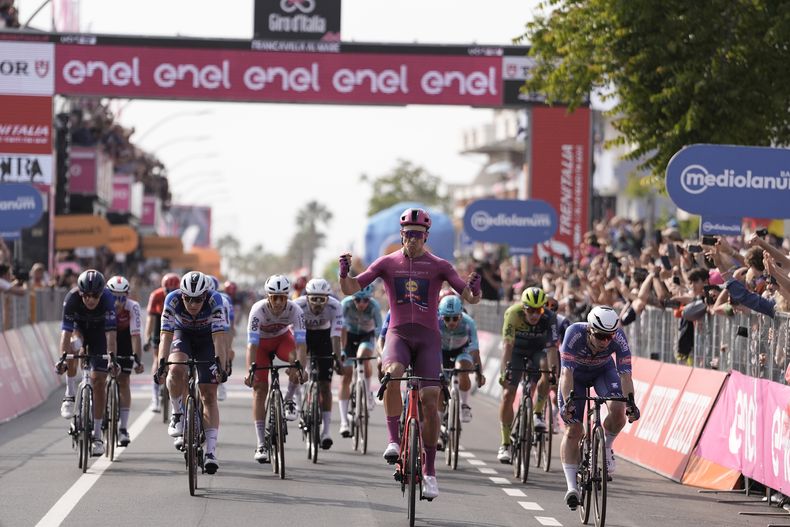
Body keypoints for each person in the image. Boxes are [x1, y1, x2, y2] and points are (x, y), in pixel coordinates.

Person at [339, 207, 482, 500]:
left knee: (431, 403)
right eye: (408, 234)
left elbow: (469, 297)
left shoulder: (440, 265)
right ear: (401, 234)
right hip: (399, 335)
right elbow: (352, 288)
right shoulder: (387, 263)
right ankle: (393, 440)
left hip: (429, 339)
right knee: (392, 377)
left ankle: (430, 473)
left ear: (426, 236)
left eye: (418, 235)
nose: (412, 240)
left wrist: (475, 289)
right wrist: (344, 274)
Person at [558, 305, 640, 510]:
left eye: (609, 337)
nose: (605, 342)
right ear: (589, 330)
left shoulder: (618, 337)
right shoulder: (574, 333)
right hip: (575, 376)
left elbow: (625, 376)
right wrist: (568, 402)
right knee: (573, 430)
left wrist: (630, 402)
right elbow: (566, 374)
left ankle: (605, 446)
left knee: (619, 411)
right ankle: (571, 487)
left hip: (603, 372)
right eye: (601, 336)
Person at [153, 271, 228, 474]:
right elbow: (165, 337)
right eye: (188, 299)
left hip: (207, 339)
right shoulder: (172, 299)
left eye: (198, 299)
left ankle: (211, 452)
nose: (193, 304)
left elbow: (220, 338)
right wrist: (161, 363)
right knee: (176, 369)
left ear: (205, 295)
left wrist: (221, 365)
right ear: (181, 295)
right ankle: (177, 414)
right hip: (182, 334)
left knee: (209, 393)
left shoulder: (215, 300)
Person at [243, 274, 307, 464]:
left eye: (283, 297)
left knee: (296, 361)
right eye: (274, 297)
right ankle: (261, 443)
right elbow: (252, 345)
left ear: (288, 296)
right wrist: (250, 371)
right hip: (260, 345)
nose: (279, 302)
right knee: (260, 389)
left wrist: (301, 367)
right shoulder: (258, 310)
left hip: (281, 340)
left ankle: (288, 400)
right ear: (267, 296)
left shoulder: (295, 309)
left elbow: (301, 344)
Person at [56, 270, 117, 456]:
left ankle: (97, 436)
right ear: (81, 293)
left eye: (95, 296)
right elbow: (65, 334)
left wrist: (111, 358)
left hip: (100, 333)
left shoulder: (108, 300)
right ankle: (70, 393)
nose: (90, 300)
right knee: (73, 349)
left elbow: (111, 335)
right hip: (79, 330)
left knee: (99, 381)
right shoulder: (72, 298)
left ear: (101, 293)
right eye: (87, 296)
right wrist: (62, 360)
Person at [496, 286, 559, 463]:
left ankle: (537, 413)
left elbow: (553, 348)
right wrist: (504, 372)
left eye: (538, 310)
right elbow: (507, 346)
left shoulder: (549, 317)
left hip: (537, 350)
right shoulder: (513, 313)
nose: (534, 315)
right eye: (530, 310)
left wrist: (554, 374)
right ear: (523, 308)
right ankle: (505, 443)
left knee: (547, 369)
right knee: (508, 394)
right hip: (516, 351)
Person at [295, 278, 344, 449]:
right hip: (303, 337)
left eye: (321, 299)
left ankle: (326, 431)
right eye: (314, 299)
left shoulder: (335, 306)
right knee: (298, 371)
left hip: (324, 338)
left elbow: (336, 336)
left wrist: (337, 359)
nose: (317, 304)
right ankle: (297, 400)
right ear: (306, 297)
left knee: (325, 386)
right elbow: (291, 335)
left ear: (328, 298)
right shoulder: (297, 305)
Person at [339, 284, 383, 437]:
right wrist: (342, 351)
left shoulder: (374, 307)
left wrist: (380, 353)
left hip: (366, 335)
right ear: (353, 299)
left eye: (365, 300)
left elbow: (379, 331)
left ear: (369, 299)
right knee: (347, 375)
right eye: (358, 300)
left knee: (363, 355)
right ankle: (344, 422)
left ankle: (367, 391)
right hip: (348, 337)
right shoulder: (345, 305)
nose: (361, 304)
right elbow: (340, 328)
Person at [106, 276, 145, 446]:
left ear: (127, 296)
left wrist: (137, 359)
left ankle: (123, 427)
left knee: (124, 381)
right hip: (105, 336)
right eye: (113, 296)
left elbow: (135, 336)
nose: (117, 301)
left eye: (121, 297)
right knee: (98, 377)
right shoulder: (103, 305)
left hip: (124, 338)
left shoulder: (133, 307)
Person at [437, 295, 485, 427]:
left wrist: (479, 373)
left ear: (461, 315)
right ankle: (438, 423)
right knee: (440, 386)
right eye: (447, 318)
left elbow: (475, 350)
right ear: (441, 316)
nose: (451, 322)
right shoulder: (436, 322)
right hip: (441, 352)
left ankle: (464, 405)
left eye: (455, 318)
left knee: (462, 368)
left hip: (462, 351)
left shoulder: (468, 322)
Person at [144, 273, 180, 412]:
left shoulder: (182, 297)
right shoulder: (156, 295)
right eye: (167, 291)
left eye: (172, 291)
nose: (169, 293)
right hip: (161, 321)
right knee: (157, 358)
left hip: (177, 321)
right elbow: (150, 319)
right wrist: (148, 337)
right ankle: (155, 396)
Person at [207, 275, 235, 402]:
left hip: (219, 328)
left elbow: (227, 328)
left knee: (221, 344)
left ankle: (221, 383)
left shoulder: (223, 300)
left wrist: (228, 350)